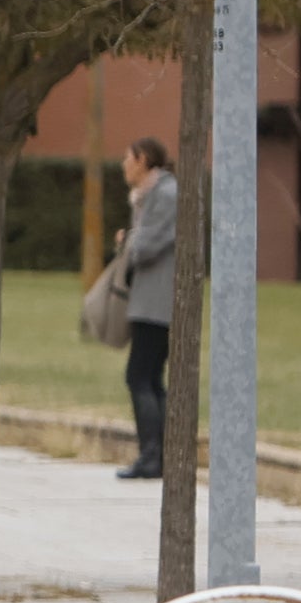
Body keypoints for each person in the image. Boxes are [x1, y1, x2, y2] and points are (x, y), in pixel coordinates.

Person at [115, 136, 177, 481]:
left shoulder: (165, 195)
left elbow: (147, 246)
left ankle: (153, 457)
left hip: (158, 302)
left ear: (143, 160)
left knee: (140, 376)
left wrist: (129, 241)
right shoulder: (151, 196)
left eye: (128, 158)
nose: (124, 165)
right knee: (150, 377)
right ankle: (157, 455)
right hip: (151, 300)